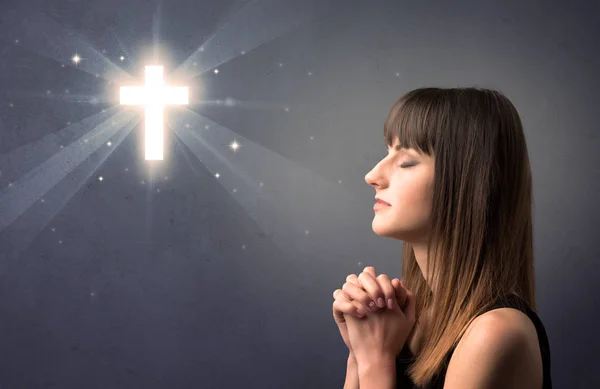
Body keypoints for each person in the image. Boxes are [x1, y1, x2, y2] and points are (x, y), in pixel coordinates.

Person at [332, 87, 552, 389]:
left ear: (471, 182)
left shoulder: (494, 333)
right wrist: (359, 351)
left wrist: (374, 361)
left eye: (407, 161)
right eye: (387, 152)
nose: (372, 175)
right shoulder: (409, 319)